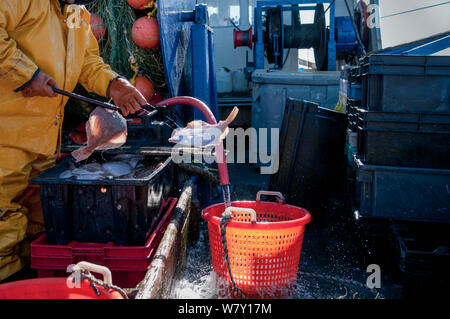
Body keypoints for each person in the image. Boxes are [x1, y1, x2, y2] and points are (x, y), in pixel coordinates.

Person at [0, 0, 148, 281]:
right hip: (5, 142)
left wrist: (114, 83)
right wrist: (25, 75)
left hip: (42, 148)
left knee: (36, 235)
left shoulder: (77, 15)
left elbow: (86, 62)